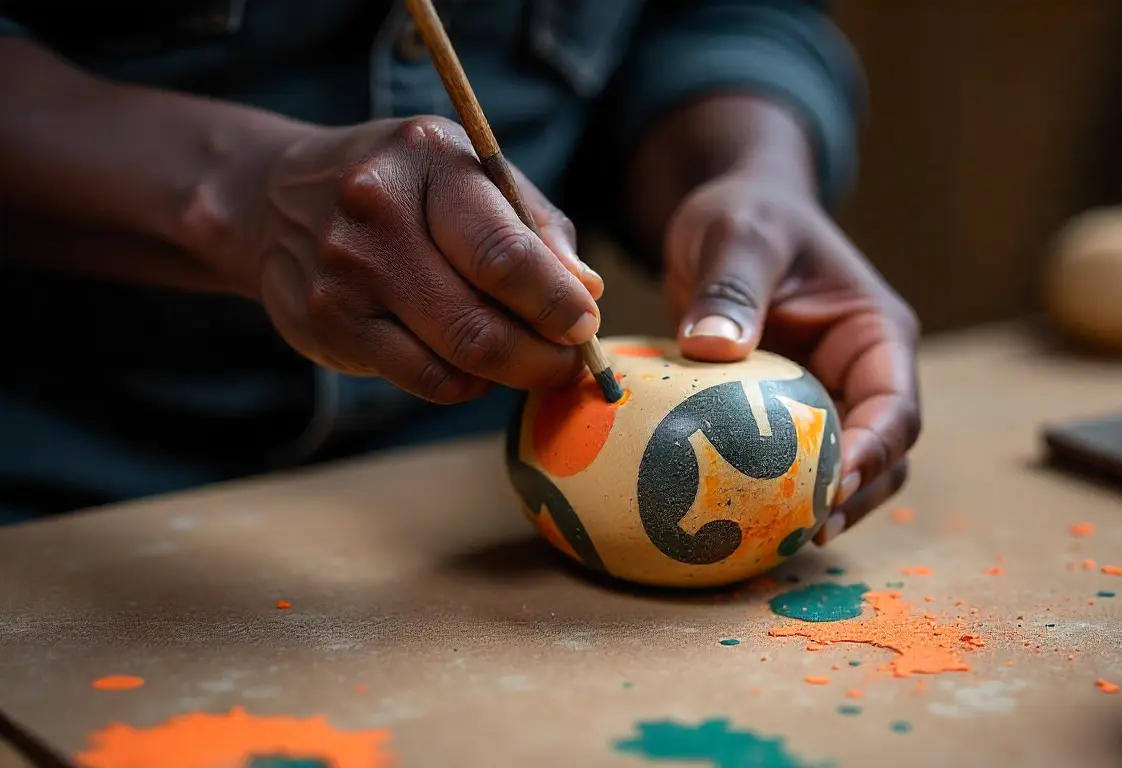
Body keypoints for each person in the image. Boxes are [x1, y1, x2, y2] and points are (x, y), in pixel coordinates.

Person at [0, 0, 921, 544]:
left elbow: (716, 15)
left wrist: (742, 174)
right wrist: (235, 192)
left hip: (466, 497)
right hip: (56, 493)